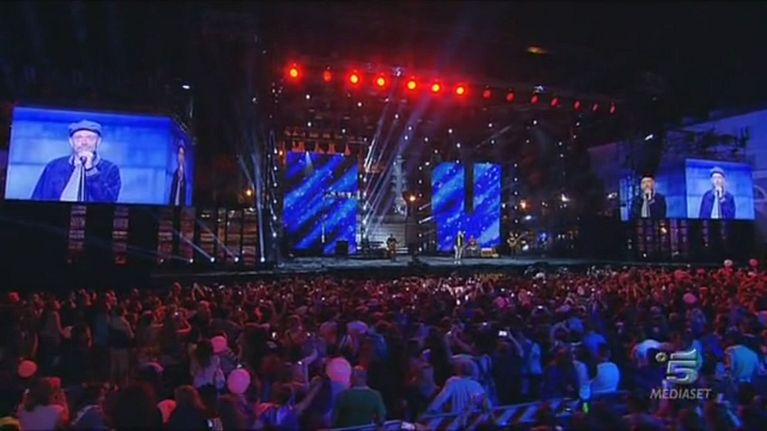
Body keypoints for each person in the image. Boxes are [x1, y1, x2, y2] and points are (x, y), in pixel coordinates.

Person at [31, 120, 121, 203]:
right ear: (71, 141)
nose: (84, 142)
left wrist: (90, 171)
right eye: (78, 138)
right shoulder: (54, 167)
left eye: (90, 138)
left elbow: (109, 203)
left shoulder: (110, 169)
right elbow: (37, 200)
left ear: (98, 141)